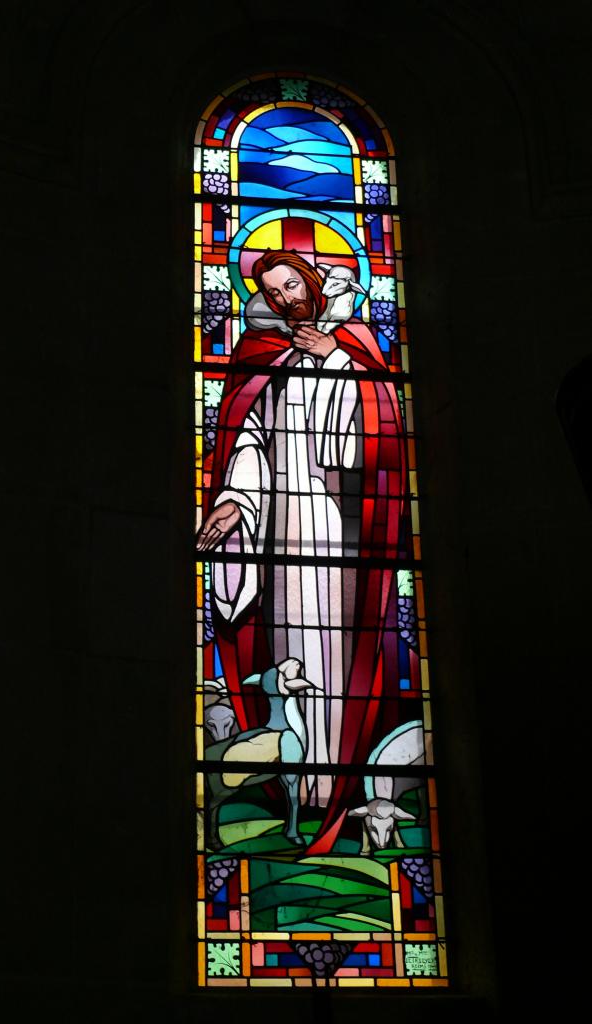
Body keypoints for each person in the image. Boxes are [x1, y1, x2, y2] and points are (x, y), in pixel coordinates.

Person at [197, 249, 409, 844]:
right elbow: (249, 437)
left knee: (336, 649)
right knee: (290, 643)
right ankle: (300, 782)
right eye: (275, 292)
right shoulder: (264, 356)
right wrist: (235, 501)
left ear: (312, 281)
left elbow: (379, 430)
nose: (288, 298)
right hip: (280, 528)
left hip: (337, 527)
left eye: (293, 284)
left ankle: (337, 778)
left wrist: (335, 358)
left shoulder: (353, 345)